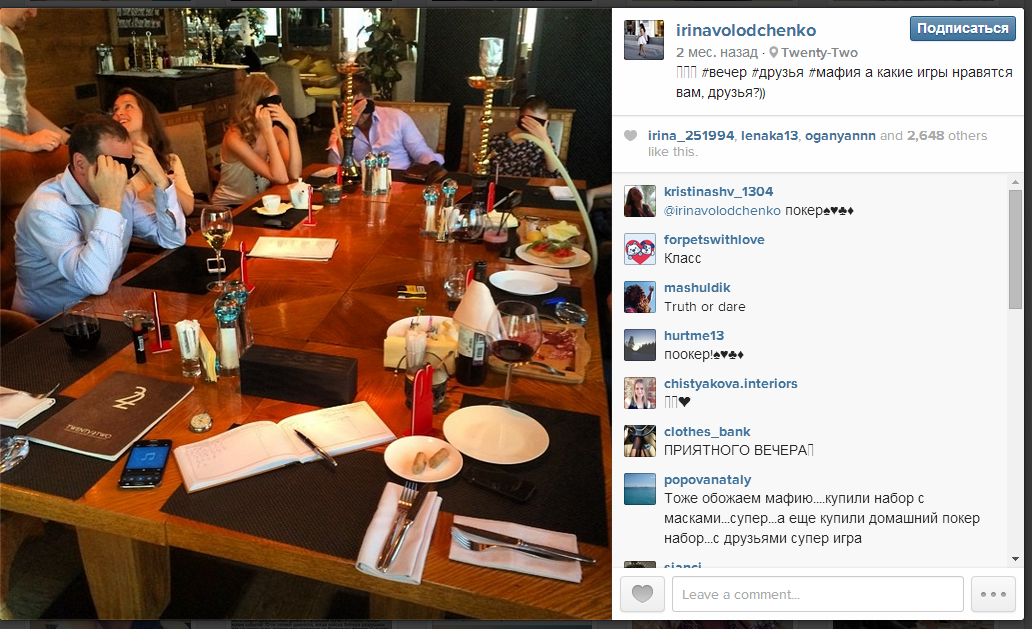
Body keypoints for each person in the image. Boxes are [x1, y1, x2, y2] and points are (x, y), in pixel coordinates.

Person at [12, 114, 186, 320]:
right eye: (115, 165)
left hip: (106, 306)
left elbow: (172, 238)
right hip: (49, 322)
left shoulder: (124, 193)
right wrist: (110, 202)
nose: (123, 175)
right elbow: (94, 282)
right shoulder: (46, 209)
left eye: (129, 165)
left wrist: (160, 179)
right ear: (80, 163)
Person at [211, 73, 302, 206]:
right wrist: (267, 131)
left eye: (277, 101)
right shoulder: (234, 137)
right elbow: (280, 178)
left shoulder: (277, 133)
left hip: (260, 203)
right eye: (269, 104)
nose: (275, 108)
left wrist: (292, 128)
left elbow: (294, 174)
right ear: (253, 105)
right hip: (230, 207)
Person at [327, 74, 444, 170]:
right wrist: (348, 127)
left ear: (372, 100)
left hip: (399, 180)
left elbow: (420, 151)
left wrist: (433, 166)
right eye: (351, 106)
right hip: (362, 183)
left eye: (362, 106)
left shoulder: (397, 118)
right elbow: (334, 164)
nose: (358, 113)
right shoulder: (339, 131)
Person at [111, 88, 195, 216]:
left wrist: (161, 177)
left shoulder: (171, 160)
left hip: (172, 227)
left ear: (146, 113)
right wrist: (149, 192)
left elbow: (188, 208)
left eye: (128, 106)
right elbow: (117, 214)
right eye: (115, 109)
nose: (119, 113)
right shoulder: (114, 165)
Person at [0, 9, 69, 152]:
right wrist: (23, 142)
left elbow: (23, 108)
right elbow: (25, 142)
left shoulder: (10, 37)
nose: (33, 13)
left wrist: (70, 141)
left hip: (16, 157)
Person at [487, 95, 562, 178]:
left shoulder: (544, 144)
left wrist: (544, 139)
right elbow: (483, 170)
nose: (533, 126)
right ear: (518, 116)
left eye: (538, 123)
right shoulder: (497, 140)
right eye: (529, 121)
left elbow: (554, 173)